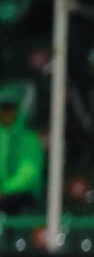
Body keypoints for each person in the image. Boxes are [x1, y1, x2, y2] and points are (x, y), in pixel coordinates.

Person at [0, 83, 42, 214]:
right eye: (2, 108)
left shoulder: (29, 139)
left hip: (21, 198)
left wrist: (5, 189)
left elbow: (29, 173)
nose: (5, 113)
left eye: (9, 108)